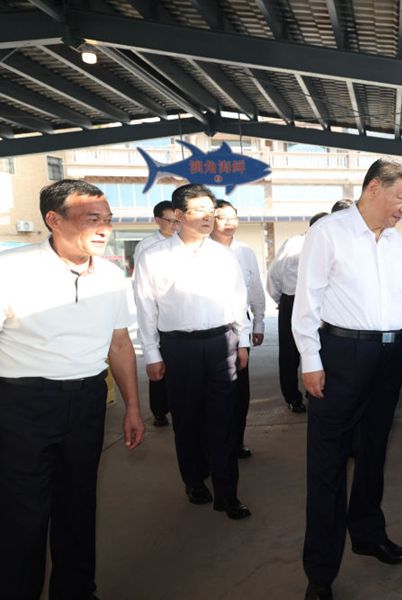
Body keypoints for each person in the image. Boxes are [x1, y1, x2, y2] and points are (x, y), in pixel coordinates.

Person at [293, 158, 402, 600]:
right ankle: (320, 572)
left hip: (388, 355)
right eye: (400, 197)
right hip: (341, 354)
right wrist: (311, 358)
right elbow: (306, 300)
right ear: (372, 190)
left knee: (374, 452)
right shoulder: (328, 233)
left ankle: (368, 533)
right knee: (327, 465)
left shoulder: (397, 243)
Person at [0, 179, 145, 599]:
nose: (104, 229)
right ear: (54, 219)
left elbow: (120, 344)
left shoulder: (113, 274)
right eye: (92, 219)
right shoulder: (13, 268)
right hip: (21, 405)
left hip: (86, 401)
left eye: (108, 220)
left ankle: (76, 591)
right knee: (23, 515)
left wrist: (133, 407)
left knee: (78, 506)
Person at [134, 183, 252, 520]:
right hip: (178, 348)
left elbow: (237, 299)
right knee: (186, 419)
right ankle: (194, 481)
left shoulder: (222, 255)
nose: (208, 217)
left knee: (223, 421)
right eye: (200, 211)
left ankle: (227, 494)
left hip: (221, 344)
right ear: (180, 215)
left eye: (211, 211)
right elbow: (146, 308)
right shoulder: (154, 256)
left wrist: (241, 341)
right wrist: (153, 355)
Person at [266, 207, 345, 414]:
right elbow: (274, 274)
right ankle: (292, 397)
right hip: (292, 301)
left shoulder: (332, 243)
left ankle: (315, 390)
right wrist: (282, 301)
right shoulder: (294, 244)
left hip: (320, 303)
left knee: (318, 347)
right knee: (290, 353)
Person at [211, 199, 265, 459]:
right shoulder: (201, 251)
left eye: (234, 217)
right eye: (223, 217)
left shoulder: (245, 252)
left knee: (239, 392)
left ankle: (236, 441)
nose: (229, 223)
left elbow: (255, 289)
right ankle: (213, 447)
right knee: (211, 395)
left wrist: (259, 321)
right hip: (209, 328)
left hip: (239, 328)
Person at [132, 200, 179, 428]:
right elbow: (142, 288)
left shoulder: (184, 245)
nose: (174, 225)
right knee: (158, 362)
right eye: (169, 221)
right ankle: (159, 411)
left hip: (178, 318)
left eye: (176, 221)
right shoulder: (147, 247)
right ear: (157, 220)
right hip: (157, 317)